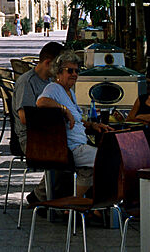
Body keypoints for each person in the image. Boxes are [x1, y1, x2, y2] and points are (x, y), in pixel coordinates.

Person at [37, 50, 112, 196]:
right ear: (58, 72)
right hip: (71, 149)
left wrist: (91, 125)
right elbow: (41, 102)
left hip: (79, 147)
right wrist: (64, 109)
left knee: (91, 169)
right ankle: (94, 204)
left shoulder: (69, 92)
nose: (74, 74)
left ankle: (81, 206)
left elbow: (77, 120)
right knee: (113, 158)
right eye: (69, 70)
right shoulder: (54, 88)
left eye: (77, 71)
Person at [12, 41, 65, 204]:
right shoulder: (27, 82)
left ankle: (52, 197)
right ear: (48, 63)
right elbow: (24, 117)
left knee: (78, 152)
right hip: (30, 138)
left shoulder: (52, 83)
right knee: (67, 157)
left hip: (51, 133)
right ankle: (42, 197)